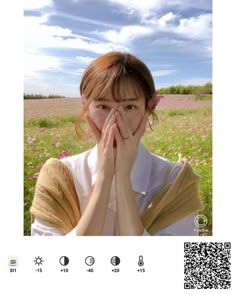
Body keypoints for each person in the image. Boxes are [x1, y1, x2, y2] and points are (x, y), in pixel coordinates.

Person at [30, 51, 204, 236]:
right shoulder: (58, 178)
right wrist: (104, 178)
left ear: (148, 109)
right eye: (103, 107)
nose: (114, 123)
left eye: (129, 107)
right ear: (86, 107)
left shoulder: (177, 182)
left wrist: (122, 178)